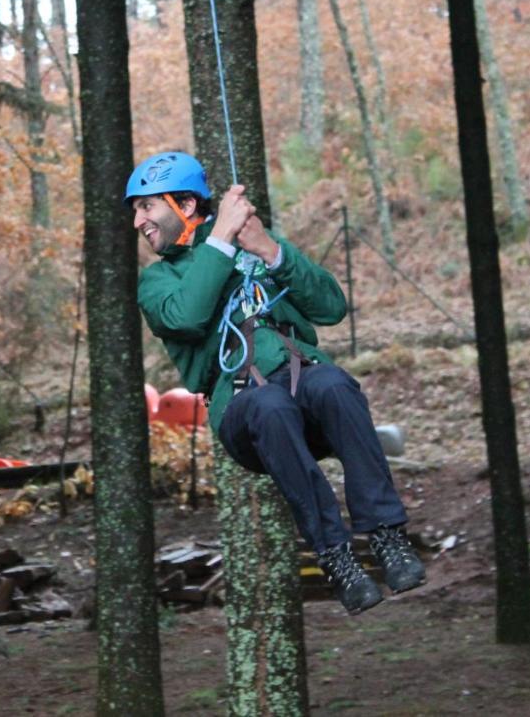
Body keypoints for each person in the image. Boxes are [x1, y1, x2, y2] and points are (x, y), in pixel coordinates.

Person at [127, 151, 425, 614]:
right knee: (270, 406)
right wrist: (222, 240)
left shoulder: (253, 244)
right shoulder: (158, 281)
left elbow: (331, 307)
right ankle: (336, 557)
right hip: (246, 409)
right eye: (136, 211)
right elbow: (187, 316)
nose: (138, 221)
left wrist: (272, 251)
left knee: (334, 385)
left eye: (146, 207)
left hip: (302, 382)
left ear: (184, 204)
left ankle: (388, 537)